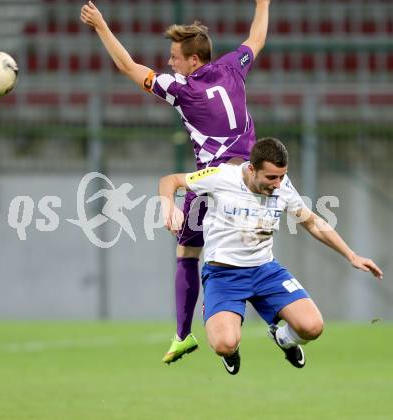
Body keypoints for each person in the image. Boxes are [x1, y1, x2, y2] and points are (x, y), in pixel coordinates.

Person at [80, 0, 271, 363]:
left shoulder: (181, 88)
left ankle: (185, 335)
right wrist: (263, 2)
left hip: (211, 184)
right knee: (257, 254)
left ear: (193, 61)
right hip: (250, 180)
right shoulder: (234, 66)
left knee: (190, 253)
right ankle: (281, 326)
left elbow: (127, 66)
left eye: (174, 57)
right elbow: (257, 37)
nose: (169, 63)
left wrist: (101, 26)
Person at [158, 137, 383, 375]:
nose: (277, 184)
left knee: (313, 327)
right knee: (224, 344)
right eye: (271, 177)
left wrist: (351, 255)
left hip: (265, 271)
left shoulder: (282, 188)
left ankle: (283, 338)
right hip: (223, 276)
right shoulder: (221, 177)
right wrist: (168, 207)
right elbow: (170, 181)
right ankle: (231, 352)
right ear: (252, 169)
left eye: (281, 176)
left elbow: (313, 222)